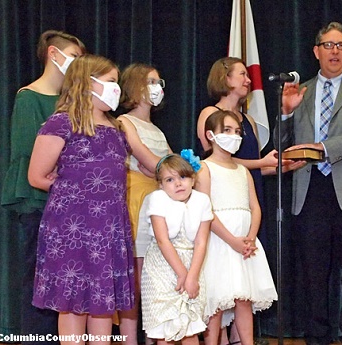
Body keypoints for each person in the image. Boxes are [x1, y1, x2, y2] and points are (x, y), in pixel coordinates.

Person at [275, 22, 342, 345]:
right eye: (328, 45)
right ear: (316, 51)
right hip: (310, 191)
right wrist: (286, 114)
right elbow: (281, 145)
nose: (335, 51)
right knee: (313, 275)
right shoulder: (299, 91)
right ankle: (317, 337)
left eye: (341, 46)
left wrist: (324, 148)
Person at [28, 54, 134, 344]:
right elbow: (37, 175)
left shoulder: (117, 128)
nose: (117, 88)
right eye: (111, 82)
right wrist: (76, 192)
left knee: (102, 302)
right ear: (88, 83)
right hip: (72, 227)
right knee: (72, 298)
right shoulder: (61, 122)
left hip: (109, 226)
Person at [197, 56, 303, 345]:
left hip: (247, 198)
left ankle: (240, 340)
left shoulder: (250, 121)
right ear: (224, 78)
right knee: (220, 288)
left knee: (242, 285)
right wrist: (259, 165)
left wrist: (281, 165)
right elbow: (219, 157)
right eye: (242, 74)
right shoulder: (210, 113)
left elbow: (256, 162)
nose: (248, 80)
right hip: (222, 206)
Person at [0, 29, 85, 344]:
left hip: (69, 207)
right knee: (38, 281)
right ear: (54, 53)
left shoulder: (73, 102)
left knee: (64, 283)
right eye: (73, 57)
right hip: (38, 202)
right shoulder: (29, 97)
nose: (77, 64)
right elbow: (27, 154)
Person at [195, 110, 278, 345]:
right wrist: (232, 240)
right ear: (211, 135)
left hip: (245, 245)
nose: (235, 136)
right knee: (217, 300)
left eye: (238, 132)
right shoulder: (204, 168)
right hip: (219, 242)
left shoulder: (243, 171)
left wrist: (250, 238)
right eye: (227, 131)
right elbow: (206, 210)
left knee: (244, 299)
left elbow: (255, 207)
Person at [117, 63, 172, 345]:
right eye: (151, 81)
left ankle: (153, 337)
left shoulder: (157, 130)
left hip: (160, 203)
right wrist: (168, 170)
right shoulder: (125, 122)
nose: (157, 87)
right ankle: (129, 340)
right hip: (137, 201)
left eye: (158, 81)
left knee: (154, 278)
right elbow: (149, 160)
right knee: (135, 279)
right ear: (135, 86)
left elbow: (166, 165)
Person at [141, 151, 212, 345]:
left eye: (182, 177)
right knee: (165, 325)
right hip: (162, 265)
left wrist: (192, 276)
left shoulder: (202, 201)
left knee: (190, 325)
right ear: (161, 185)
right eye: (170, 179)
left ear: (193, 179)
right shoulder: (157, 199)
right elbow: (163, 240)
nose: (178, 183)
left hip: (191, 264)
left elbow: (201, 242)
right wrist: (181, 273)